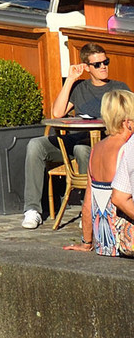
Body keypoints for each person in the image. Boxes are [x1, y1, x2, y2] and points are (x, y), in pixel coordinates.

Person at [21, 40, 131, 230]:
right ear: (88, 67)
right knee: (35, 145)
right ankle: (32, 210)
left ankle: (87, 209)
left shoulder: (118, 88)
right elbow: (57, 112)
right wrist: (70, 79)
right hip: (73, 138)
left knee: (83, 149)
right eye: (97, 65)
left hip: (102, 142)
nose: (103, 67)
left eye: (106, 62)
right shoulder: (80, 88)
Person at [70, 87, 134, 254]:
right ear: (127, 120)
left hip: (104, 245)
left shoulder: (96, 149)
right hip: (126, 242)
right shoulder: (127, 150)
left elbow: (88, 202)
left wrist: (86, 242)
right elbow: (120, 199)